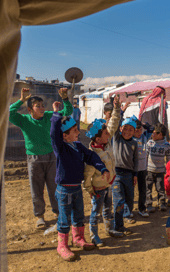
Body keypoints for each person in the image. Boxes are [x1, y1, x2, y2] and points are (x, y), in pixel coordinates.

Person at [50, 102, 110, 261]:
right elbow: (54, 135)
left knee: (78, 216)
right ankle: (62, 245)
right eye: (75, 130)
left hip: (77, 188)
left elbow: (91, 156)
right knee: (64, 219)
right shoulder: (60, 147)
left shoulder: (77, 145)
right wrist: (56, 115)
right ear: (64, 135)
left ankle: (78, 239)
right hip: (64, 190)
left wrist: (103, 168)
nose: (79, 132)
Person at [9, 87, 72, 228]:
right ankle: (40, 216)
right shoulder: (24, 120)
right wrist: (21, 100)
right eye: (38, 106)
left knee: (54, 187)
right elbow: (9, 113)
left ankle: (58, 213)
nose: (42, 108)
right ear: (30, 109)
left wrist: (65, 99)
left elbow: (67, 112)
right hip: (34, 158)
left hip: (51, 157)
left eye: (43, 105)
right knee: (36, 188)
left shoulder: (50, 116)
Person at [83, 96, 124, 247]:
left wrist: (117, 109)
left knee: (108, 209)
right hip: (97, 189)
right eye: (106, 133)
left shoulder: (105, 144)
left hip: (108, 185)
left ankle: (110, 229)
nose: (109, 133)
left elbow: (112, 124)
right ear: (98, 138)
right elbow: (87, 175)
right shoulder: (92, 155)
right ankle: (94, 236)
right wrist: (89, 189)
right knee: (96, 212)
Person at [112, 117, 138, 235]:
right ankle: (118, 225)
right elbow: (115, 122)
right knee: (119, 200)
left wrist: (135, 174)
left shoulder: (134, 143)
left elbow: (136, 160)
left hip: (129, 175)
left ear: (134, 131)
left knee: (129, 198)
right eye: (125, 128)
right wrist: (119, 109)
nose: (127, 132)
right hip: (116, 175)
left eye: (131, 129)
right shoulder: (116, 138)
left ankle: (127, 215)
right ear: (120, 128)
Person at [145, 123, 170, 212]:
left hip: (160, 171)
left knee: (160, 188)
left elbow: (169, 160)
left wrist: (169, 172)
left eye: (154, 133)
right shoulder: (149, 143)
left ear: (160, 134)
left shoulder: (167, 146)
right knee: (148, 188)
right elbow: (145, 156)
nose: (152, 134)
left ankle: (162, 202)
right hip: (149, 170)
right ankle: (149, 204)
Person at [133, 119, 154, 218]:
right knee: (130, 192)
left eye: (140, 130)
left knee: (142, 190)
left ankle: (142, 209)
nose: (138, 132)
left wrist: (144, 124)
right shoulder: (129, 139)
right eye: (136, 130)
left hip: (143, 169)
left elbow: (152, 128)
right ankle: (127, 211)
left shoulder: (144, 137)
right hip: (132, 170)